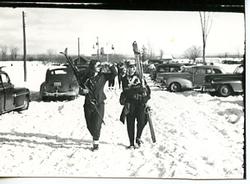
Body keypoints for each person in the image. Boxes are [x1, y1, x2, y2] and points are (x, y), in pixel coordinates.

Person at [81, 60, 117, 151]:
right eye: (97, 65)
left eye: (100, 66)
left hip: (99, 103)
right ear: (92, 67)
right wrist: (82, 91)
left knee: (97, 124)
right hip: (88, 104)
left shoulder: (103, 76)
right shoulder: (86, 77)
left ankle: (95, 143)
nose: (99, 67)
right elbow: (80, 87)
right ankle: (95, 135)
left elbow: (114, 74)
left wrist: (110, 65)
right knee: (89, 125)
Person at [119, 60, 151, 149]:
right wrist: (137, 91)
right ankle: (131, 143)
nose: (131, 69)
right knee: (130, 124)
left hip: (140, 103)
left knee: (142, 121)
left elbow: (147, 90)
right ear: (127, 68)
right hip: (130, 104)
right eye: (129, 67)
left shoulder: (141, 78)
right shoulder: (125, 79)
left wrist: (146, 96)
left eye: (133, 67)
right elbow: (126, 91)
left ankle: (138, 138)